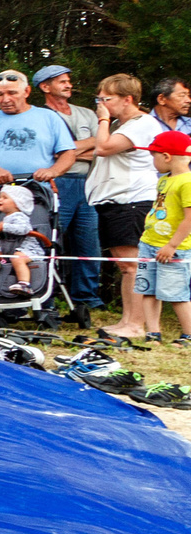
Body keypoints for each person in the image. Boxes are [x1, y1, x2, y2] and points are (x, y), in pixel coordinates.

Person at [0, 68, 81, 310]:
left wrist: (54, 171)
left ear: (27, 91)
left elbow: (69, 153)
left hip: (38, 196)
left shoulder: (48, 118)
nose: (5, 99)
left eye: (12, 93)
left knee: (40, 243)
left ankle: (43, 297)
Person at [74, 74, 161, 339]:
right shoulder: (120, 125)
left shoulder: (142, 124)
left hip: (131, 201)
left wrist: (101, 121)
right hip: (114, 201)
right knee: (125, 265)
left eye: (106, 98)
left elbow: (103, 148)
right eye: (98, 99)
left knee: (132, 265)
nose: (100, 104)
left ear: (128, 99)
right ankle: (127, 320)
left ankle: (135, 324)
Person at [33, 64, 105, 324]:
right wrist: (75, 151)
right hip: (56, 182)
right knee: (50, 239)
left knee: (89, 243)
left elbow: (101, 144)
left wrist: (67, 151)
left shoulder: (86, 113)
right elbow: (49, 152)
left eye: (68, 80)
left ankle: (87, 297)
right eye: (62, 81)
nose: (69, 85)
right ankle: (45, 294)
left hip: (88, 183)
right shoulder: (38, 116)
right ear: (45, 87)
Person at [135, 130, 191, 341]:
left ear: (167, 156)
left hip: (174, 248)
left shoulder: (187, 182)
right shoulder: (164, 180)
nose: (153, 161)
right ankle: (152, 333)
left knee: (176, 294)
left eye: (154, 155)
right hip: (149, 244)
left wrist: (172, 246)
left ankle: (188, 335)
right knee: (148, 290)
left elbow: (189, 219)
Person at [0, 184, 51, 293]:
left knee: (18, 259)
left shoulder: (19, 216)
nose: (0, 200)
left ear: (18, 203)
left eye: (5, 197)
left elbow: (24, 229)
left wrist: (4, 227)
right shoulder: (7, 217)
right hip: (10, 248)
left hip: (27, 250)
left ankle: (24, 284)